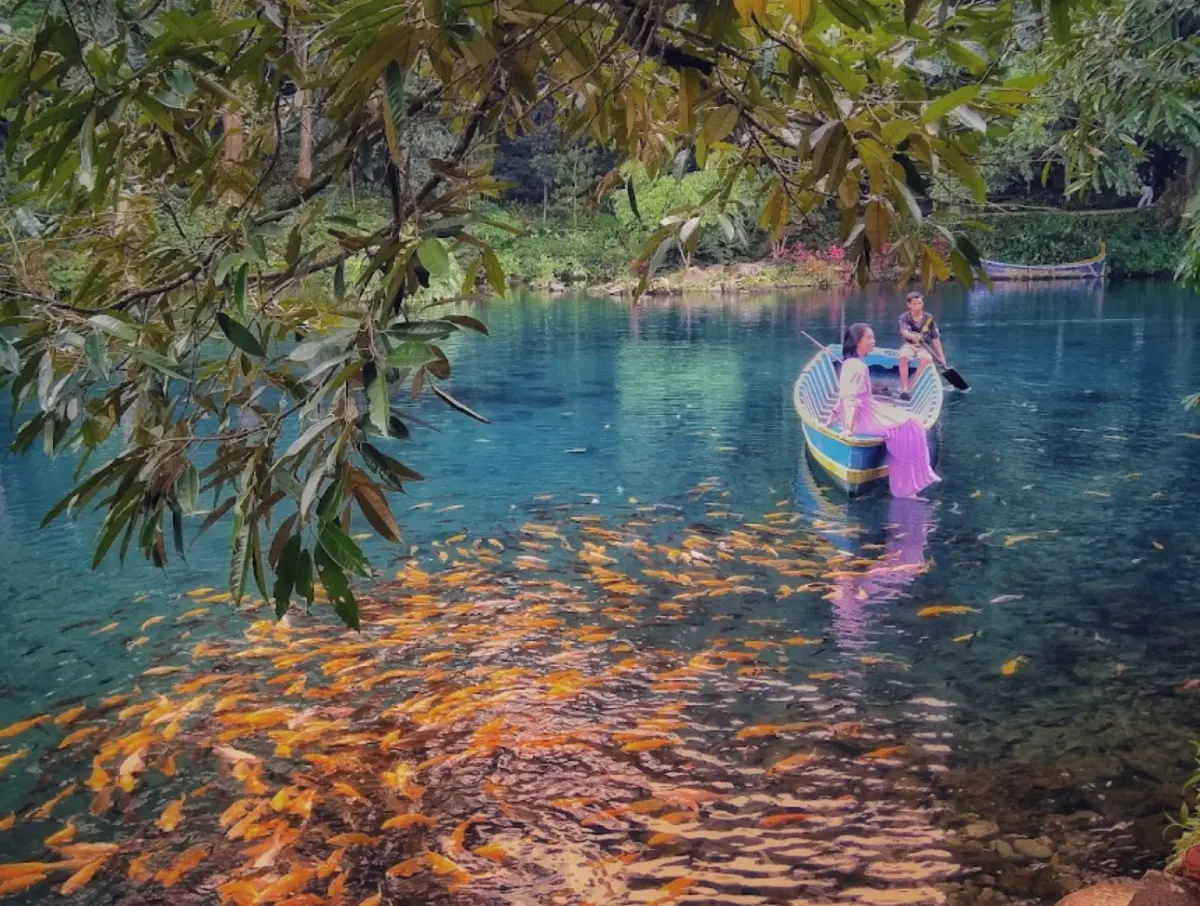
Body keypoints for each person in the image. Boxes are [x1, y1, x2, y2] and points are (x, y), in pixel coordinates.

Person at [826, 323, 940, 498]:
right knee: (911, 425)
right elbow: (852, 401)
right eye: (869, 338)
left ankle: (911, 484)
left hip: (861, 414)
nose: (874, 341)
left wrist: (834, 415)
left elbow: (844, 396)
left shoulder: (850, 364)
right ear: (858, 342)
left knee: (909, 419)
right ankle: (908, 488)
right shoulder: (858, 367)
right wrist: (849, 429)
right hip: (862, 419)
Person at [897, 291, 945, 401]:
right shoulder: (904, 317)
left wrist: (942, 358)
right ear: (909, 305)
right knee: (903, 356)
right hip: (909, 345)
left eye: (919, 303)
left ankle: (910, 387)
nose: (917, 306)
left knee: (926, 359)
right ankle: (904, 386)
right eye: (914, 304)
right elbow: (904, 332)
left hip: (924, 347)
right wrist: (914, 337)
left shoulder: (929, 319)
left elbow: (935, 339)